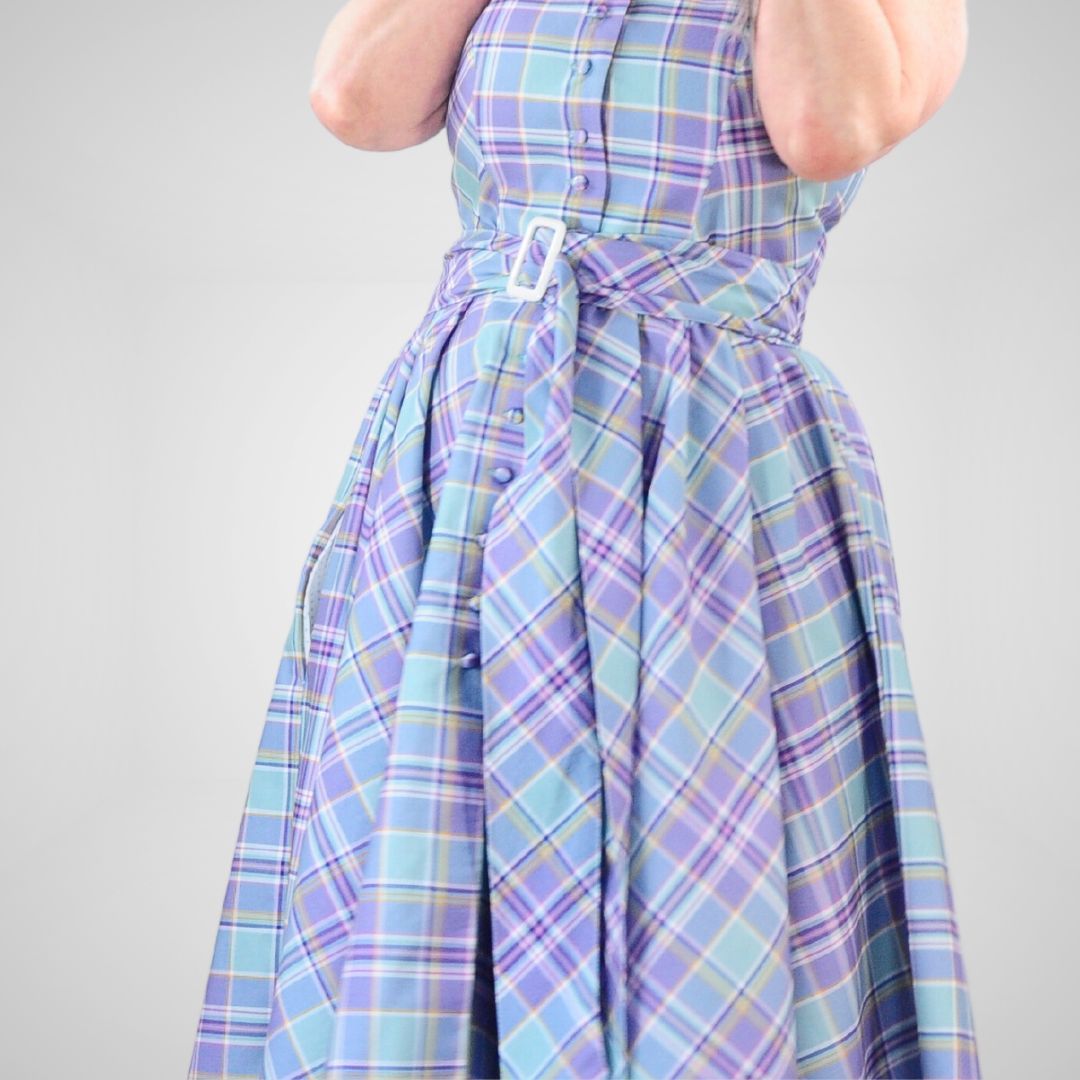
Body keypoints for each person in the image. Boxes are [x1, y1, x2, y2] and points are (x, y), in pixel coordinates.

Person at [188, 1, 978, 1077]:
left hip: (707, 472)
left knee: (701, 858)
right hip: (476, 444)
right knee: (432, 841)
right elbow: (355, 102)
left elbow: (826, 127)